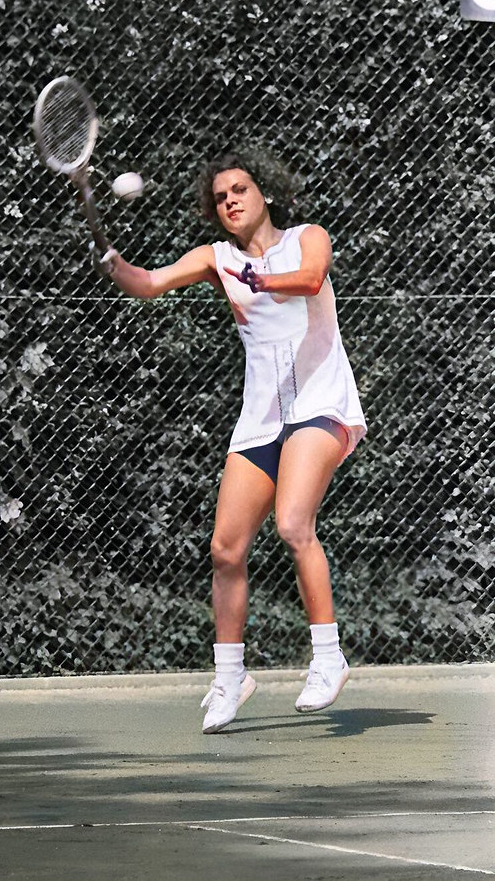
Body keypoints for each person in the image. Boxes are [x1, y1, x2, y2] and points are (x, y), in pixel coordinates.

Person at [97, 151, 367, 734]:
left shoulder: (306, 238)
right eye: (220, 198)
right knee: (225, 548)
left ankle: (327, 656)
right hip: (261, 418)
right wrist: (116, 266)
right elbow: (148, 284)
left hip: (321, 404)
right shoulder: (215, 259)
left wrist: (259, 279)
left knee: (294, 523)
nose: (231, 202)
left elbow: (311, 279)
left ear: (263, 193)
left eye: (240, 190)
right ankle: (230, 676)